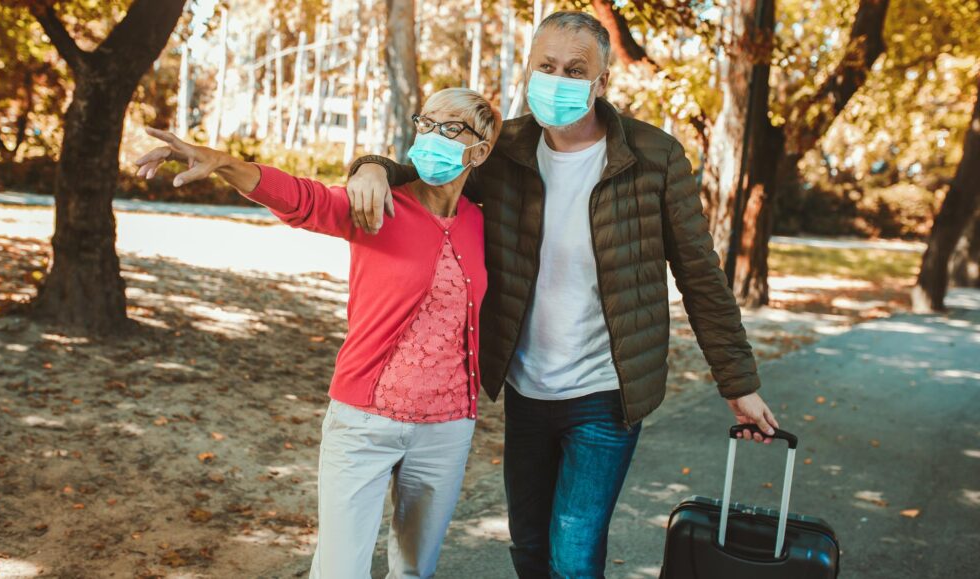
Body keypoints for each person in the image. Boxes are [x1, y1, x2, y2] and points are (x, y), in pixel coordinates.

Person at [346, 11, 780, 579]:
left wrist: (739, 383)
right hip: (527, 388)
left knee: (573, 556)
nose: (558, 78)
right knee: (527, 547)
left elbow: (701, 276)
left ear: (602, 81)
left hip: (607, 394)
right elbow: (424, 173)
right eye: (546, 66)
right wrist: (371, 167)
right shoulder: (503, 150)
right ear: (528, 70)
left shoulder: (655, 158)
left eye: (576, 69)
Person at [133, 88, 502, 579]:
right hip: (364, 424)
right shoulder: (377, 203)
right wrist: (224, 163)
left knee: (416, 571)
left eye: (450, 129)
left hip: (448, 427)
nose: (431, 137)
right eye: (426, 123)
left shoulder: (481, 220)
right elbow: (303, 200)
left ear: (479, 151)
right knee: (338, 572)